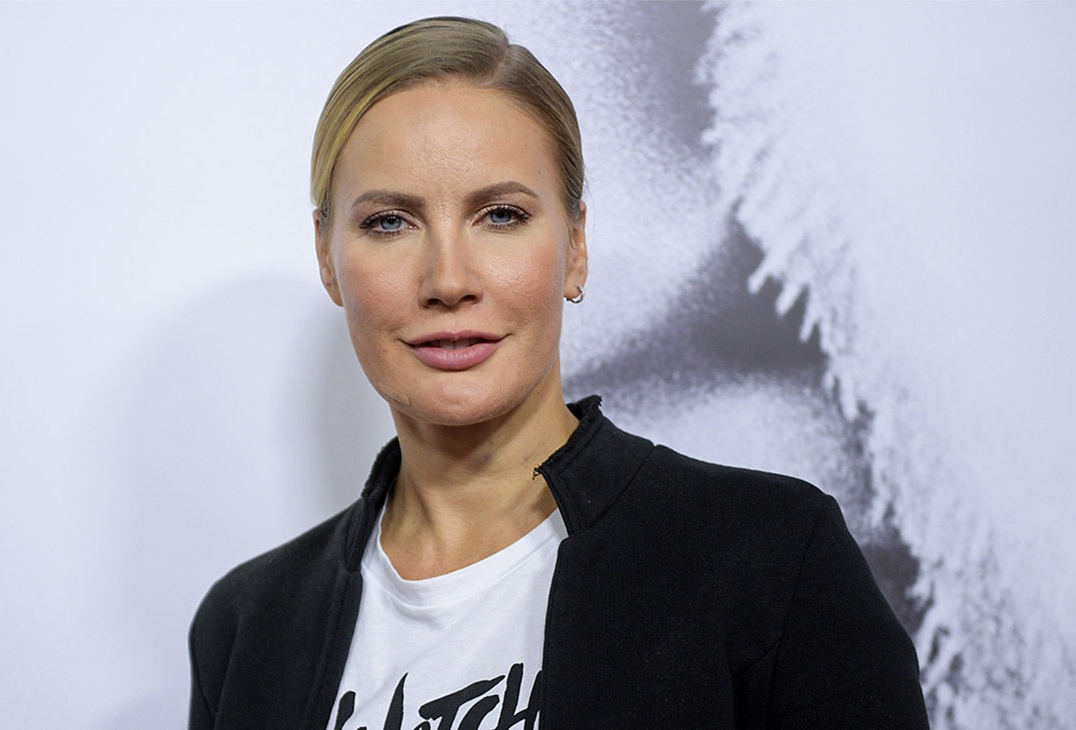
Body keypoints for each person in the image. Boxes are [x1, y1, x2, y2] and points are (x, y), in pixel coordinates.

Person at [188, 16, 928, 730]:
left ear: (575, 247)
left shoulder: (771, 557)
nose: (448, 280)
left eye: (500, 216)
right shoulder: (247, 627)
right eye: (390, 222)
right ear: (327, 257)